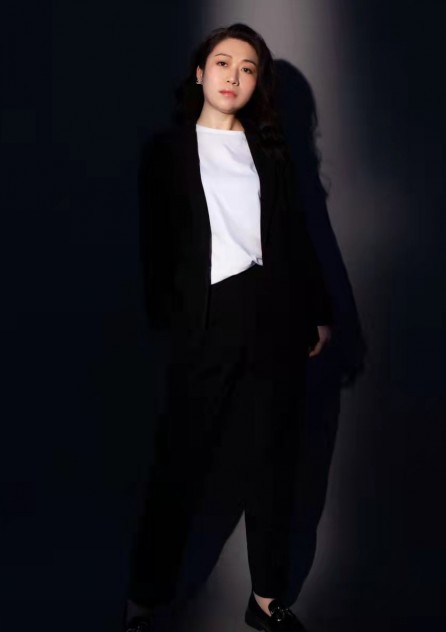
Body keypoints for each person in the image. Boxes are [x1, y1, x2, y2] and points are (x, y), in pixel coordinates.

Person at [124, 23, 333, 632]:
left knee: (274, 463)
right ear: (200, 72)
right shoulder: (167, 151)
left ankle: (266, 601)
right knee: (180, 464)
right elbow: (155, 246)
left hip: (276, 316)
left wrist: (318, 311)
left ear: (255, 83)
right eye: (223, 62)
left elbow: (297, 235)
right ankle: (144, 601)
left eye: (247, 68)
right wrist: (171, 319)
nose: (233, 76)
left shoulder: (270, 151)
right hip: (208, 319)